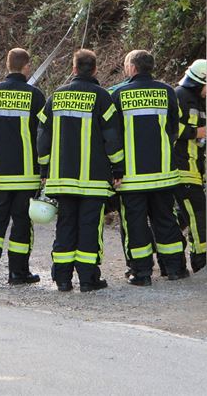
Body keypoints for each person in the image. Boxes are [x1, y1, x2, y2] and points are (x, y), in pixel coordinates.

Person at [37, 49, 124, 292]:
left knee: (65, 226)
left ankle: (62, 279)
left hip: (62, 180)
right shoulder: (102, 97)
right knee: (89, 228)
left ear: (73, 69)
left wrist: (44, 167)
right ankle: (88, 279)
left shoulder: (56, 97)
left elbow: (43, 137)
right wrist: (118, 167)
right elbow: (112, 138)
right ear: (95, 69)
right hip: (93, 181)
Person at [111, 50, 186, 285]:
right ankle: (174, 268)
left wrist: (116, 169)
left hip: (132, 178)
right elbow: (176, 127)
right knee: (166, 220)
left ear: (132, 68)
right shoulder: (167, 92)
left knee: (135, 225)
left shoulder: (119, 94)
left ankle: (141, 273)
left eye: (126, 64)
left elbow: (112, 135)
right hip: (164, 174)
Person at [0, 48, 47, 287]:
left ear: (8, 66)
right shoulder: (35, 96)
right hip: (26, 175)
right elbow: (42, 134)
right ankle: (18, 273)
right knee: (22, 224)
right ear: (26, 66)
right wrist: (44, 168)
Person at [173, 58, 207, 273]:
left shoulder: (197, 100)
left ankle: (166, 251)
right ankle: (200, 260)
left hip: (193, 169)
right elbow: (170, 128)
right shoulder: (179, 97)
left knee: (181, 217)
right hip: (182, 169)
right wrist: (197, 132)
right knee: (198, 214)